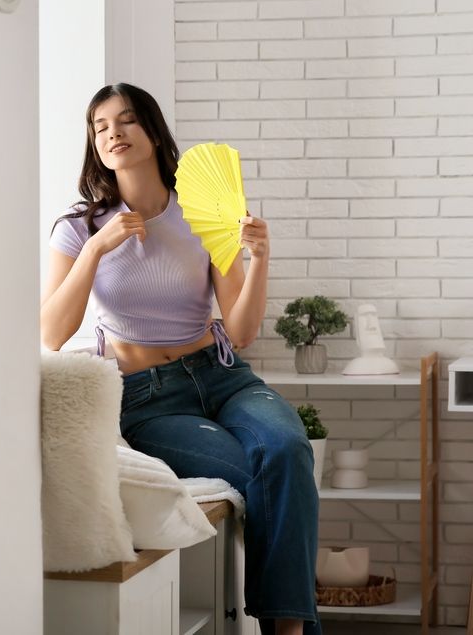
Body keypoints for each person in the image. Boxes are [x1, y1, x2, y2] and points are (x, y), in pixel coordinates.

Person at [40, 83, 321, 635]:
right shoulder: (79, 227)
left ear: (152, 130)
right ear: (94, 144)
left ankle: (285, 631)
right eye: (100, 126)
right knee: (256, 474)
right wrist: (98, 248)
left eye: (126, 120)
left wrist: (258, 259)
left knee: (288, 448)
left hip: (223, 378)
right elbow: (53, 332)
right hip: (147, 397)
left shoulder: (202, 215)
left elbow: (240, 330)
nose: (113, 133)